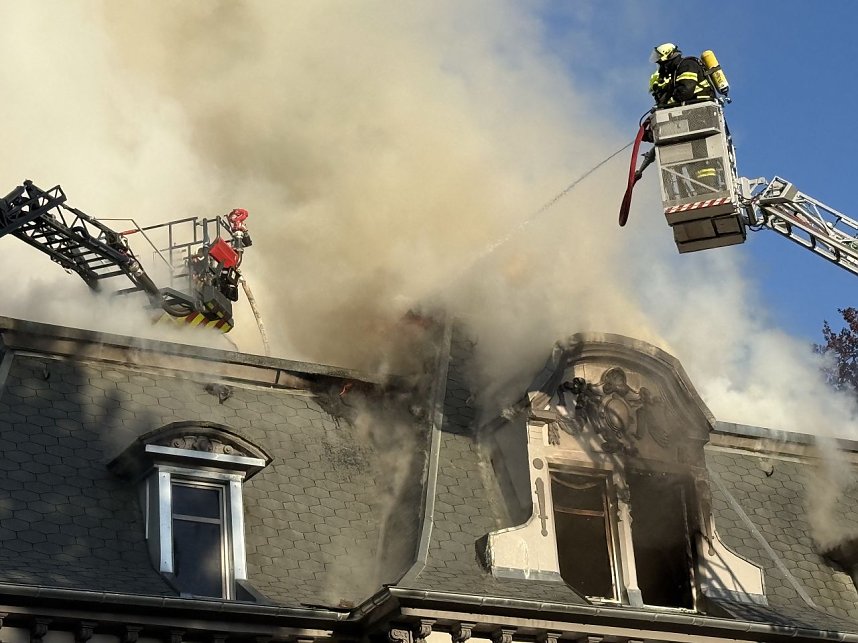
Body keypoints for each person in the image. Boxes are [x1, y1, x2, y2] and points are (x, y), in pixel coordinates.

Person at [648, 43, 715, 108]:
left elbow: (685, 91)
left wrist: (666, 104)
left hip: (703, 106)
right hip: (697, 106)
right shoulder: (676, 71)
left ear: (669, 56)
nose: (661, 68)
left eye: (661, 64)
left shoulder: (686, 65)